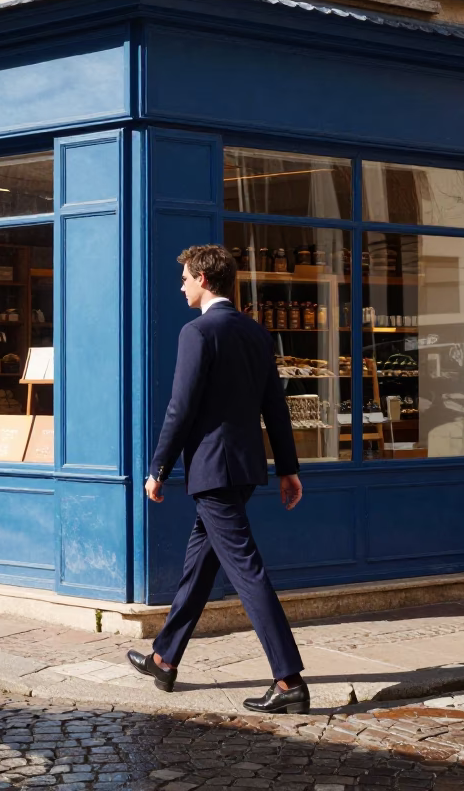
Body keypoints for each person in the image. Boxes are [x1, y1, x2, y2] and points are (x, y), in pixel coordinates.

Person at [127, 244, 309, 714]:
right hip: (244, 469)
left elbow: (180, 407)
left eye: (185, 277)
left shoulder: (198, 332)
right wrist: (288, 468)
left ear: (204, 279)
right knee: (199, 567)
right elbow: (276, 407)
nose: (181, 285)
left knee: (247, 572)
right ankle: (164, 659)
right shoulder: (255, 332)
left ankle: (289, 682)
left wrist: (157, 467)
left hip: (213, 471)